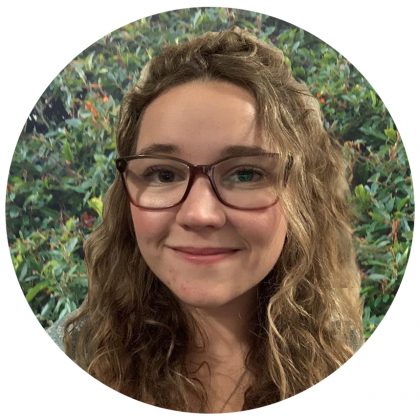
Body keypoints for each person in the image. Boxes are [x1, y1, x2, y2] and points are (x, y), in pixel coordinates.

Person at [50, 27, 363, 413]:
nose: (200, 214)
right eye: (163, 173)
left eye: (245, 173)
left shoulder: (344, 364)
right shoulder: (68, 358)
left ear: (301, 195)